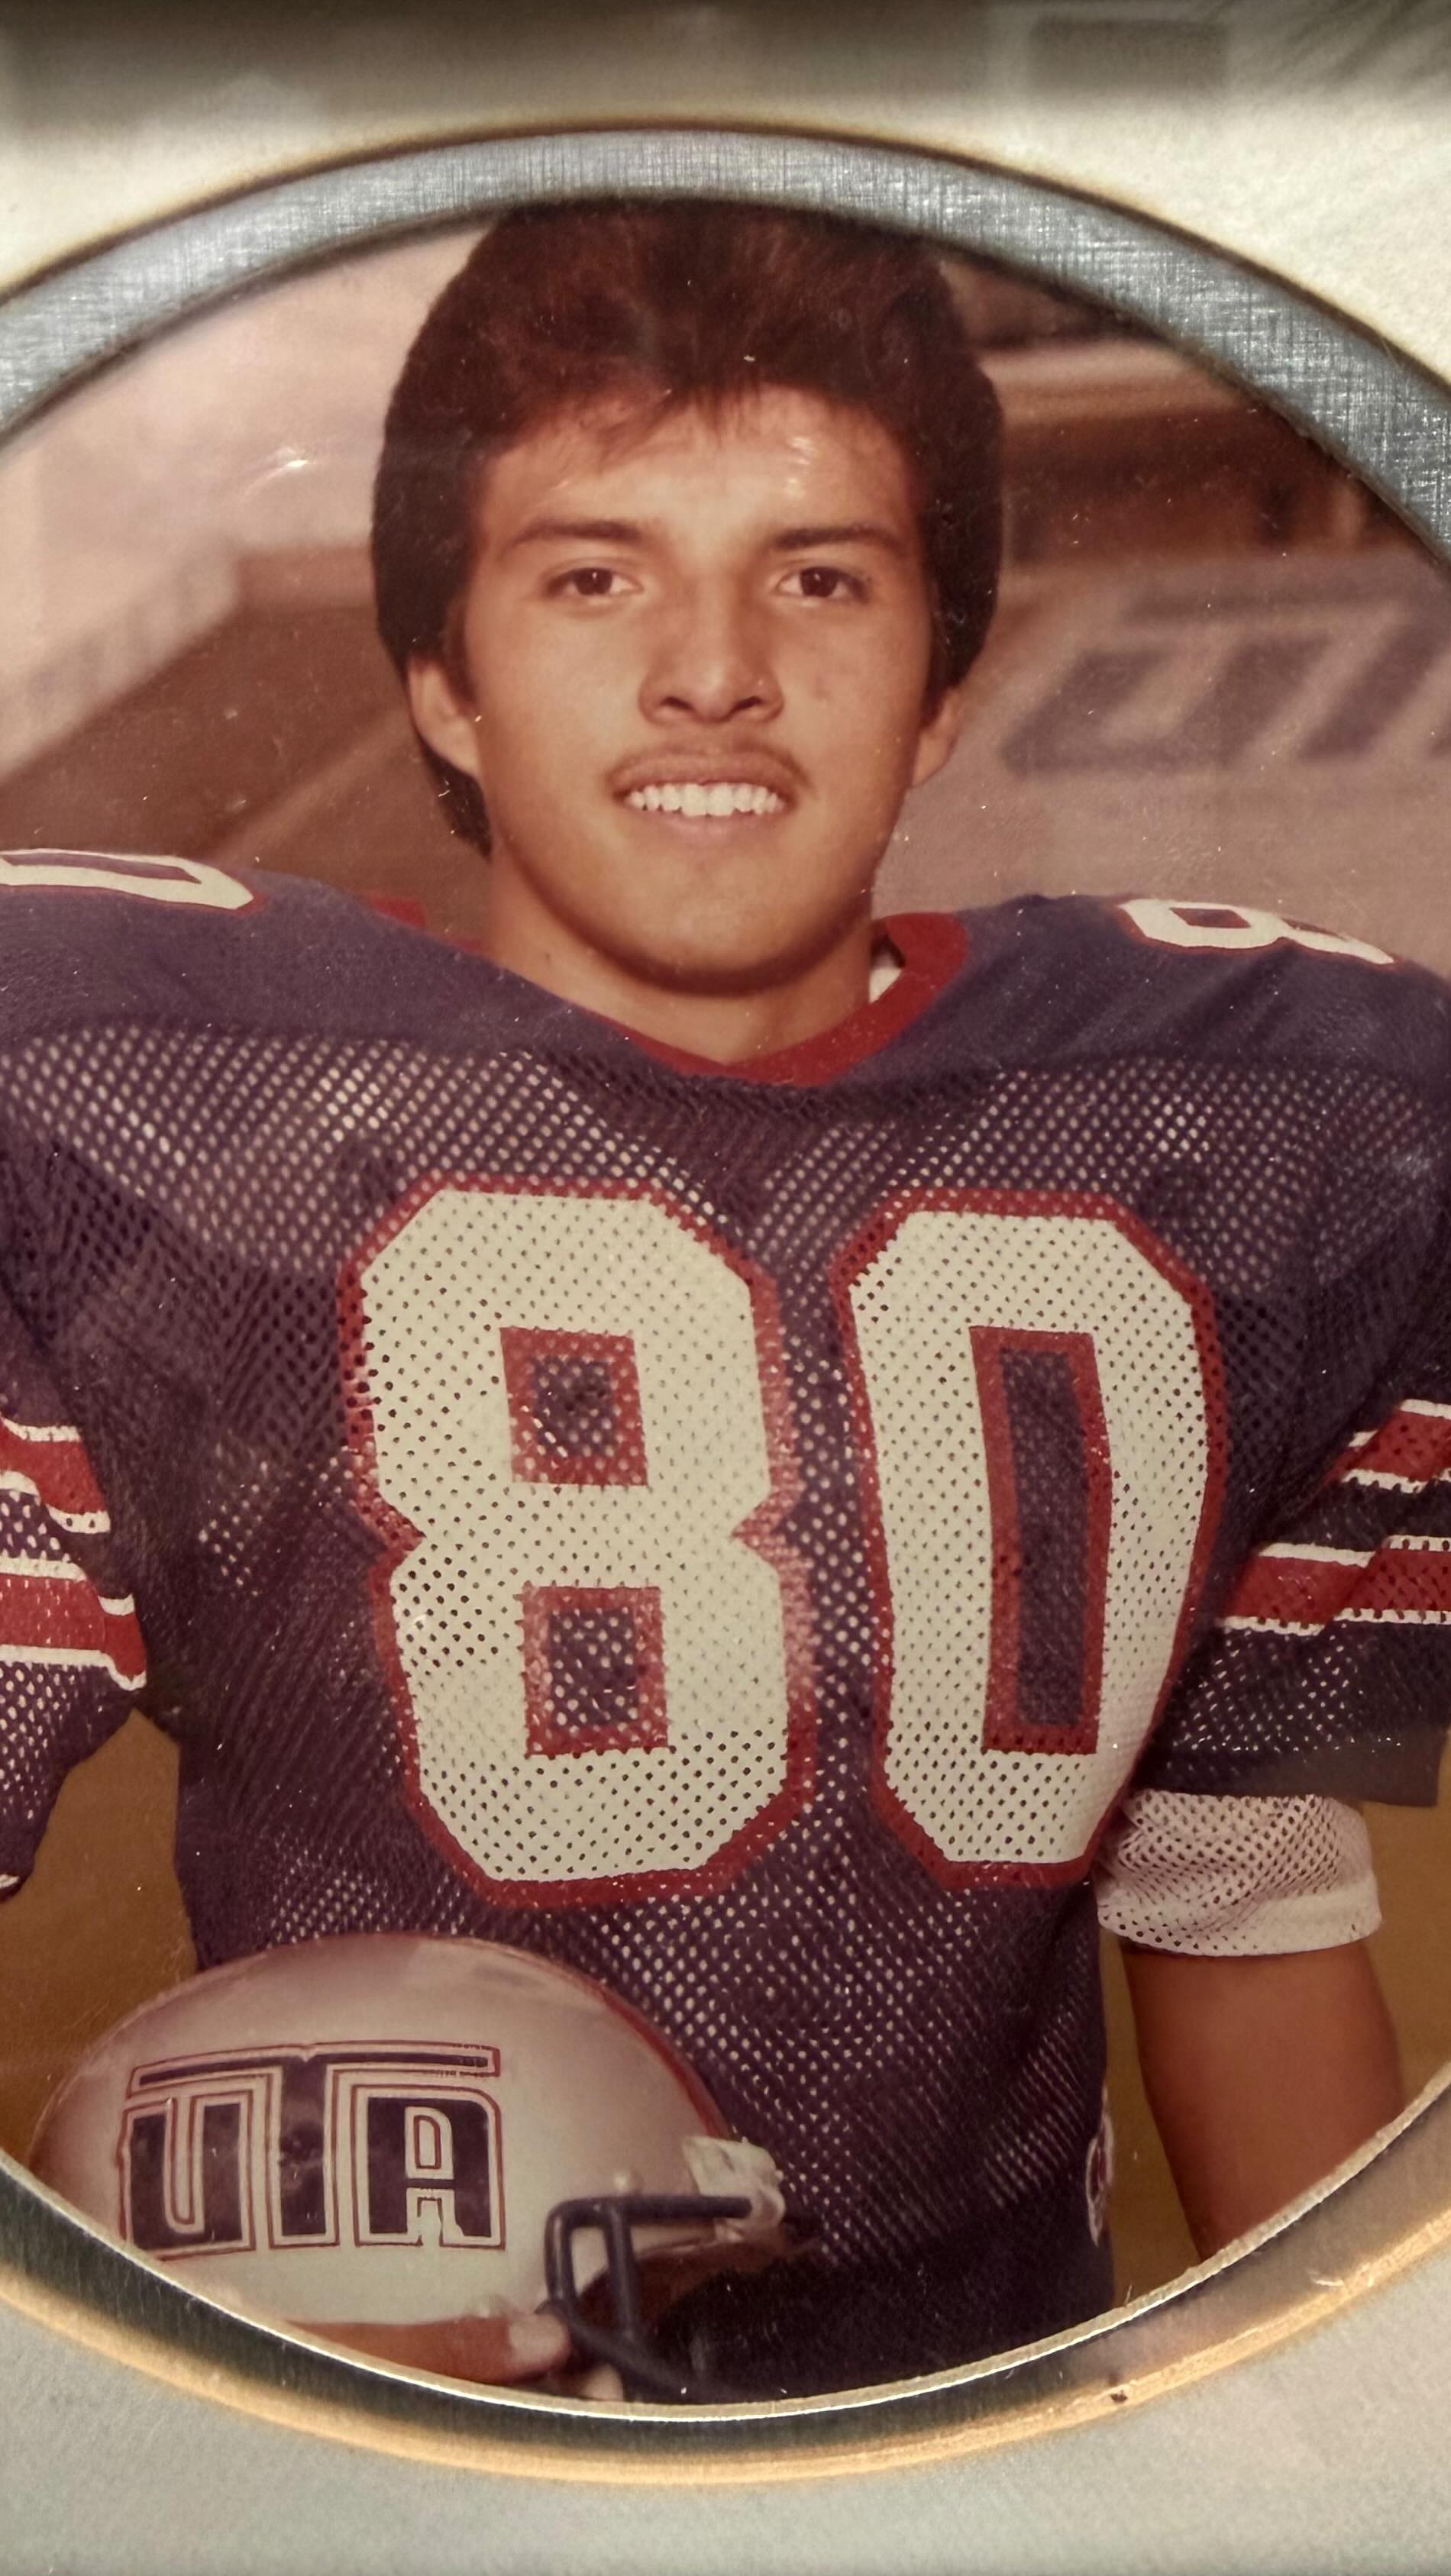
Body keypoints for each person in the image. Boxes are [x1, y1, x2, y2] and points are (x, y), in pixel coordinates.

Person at [0, 199, 1443, 2399]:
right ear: (440, 677)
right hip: (361, 2455)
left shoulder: (1241, 1135)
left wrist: (1358, 2454)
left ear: (946, 678)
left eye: (820, 575)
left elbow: (1232, 1889)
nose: (712, 668)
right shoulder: (142, 1107)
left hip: (981, 2447)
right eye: (592, 574)